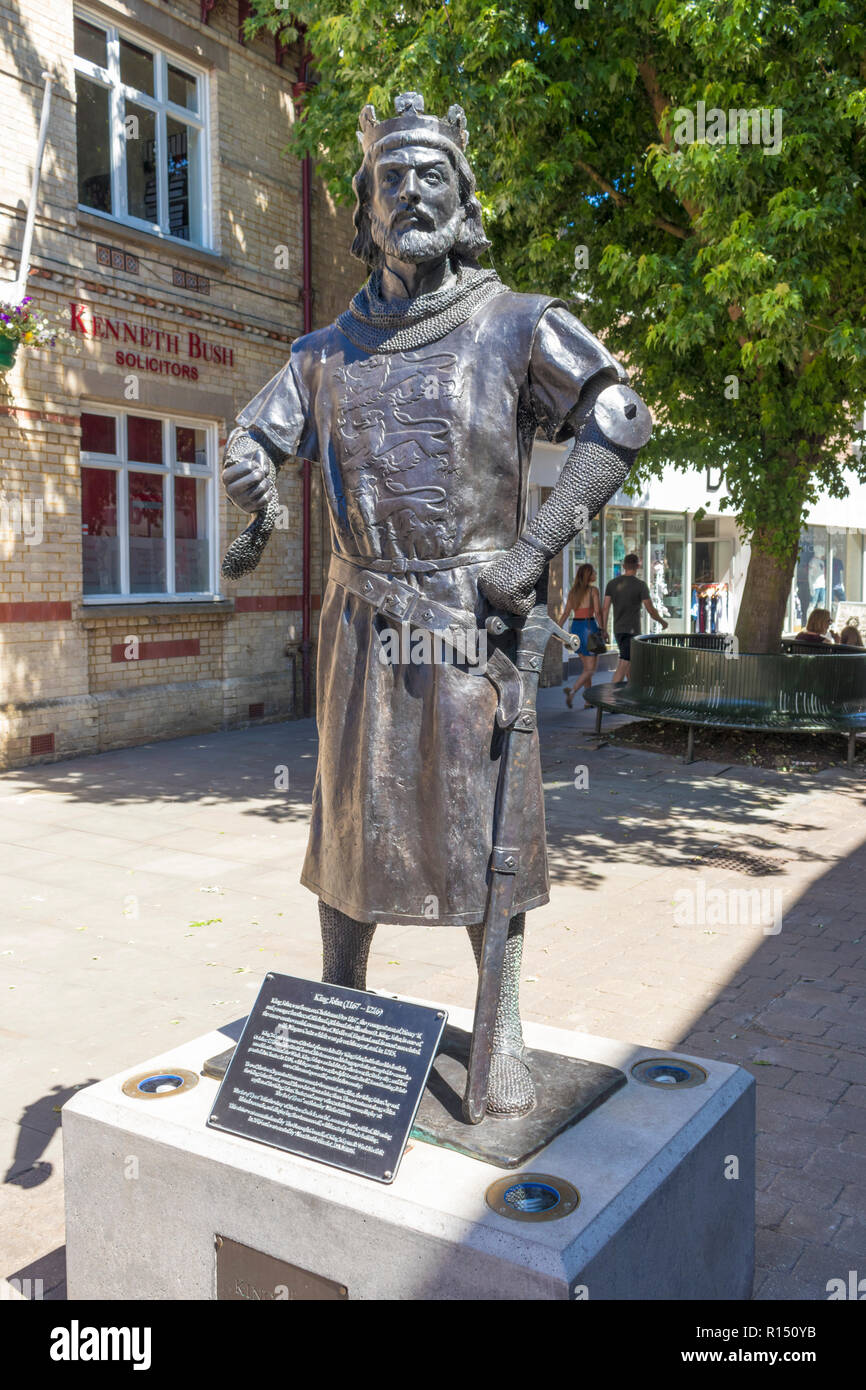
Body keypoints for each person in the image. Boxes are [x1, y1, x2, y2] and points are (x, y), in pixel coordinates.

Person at [221, 91, 652, 1117]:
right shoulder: (321, 353)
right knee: (347, 820)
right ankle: (340, 1000)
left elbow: (617, 416)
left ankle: (497, 1023)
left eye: (431, 176)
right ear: (364, 208)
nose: (408, 194)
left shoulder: (516, 323)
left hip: (471, 618)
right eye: (388, 179)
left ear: (464, 196)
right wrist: (251, 477)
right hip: (361, 624)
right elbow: (254, 435)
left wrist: (537, 547)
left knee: (482, 829)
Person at [601, 553, 667, 683]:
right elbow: (650, 609)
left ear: (624, 566)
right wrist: (662, 621)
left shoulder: (612, 584)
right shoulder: (640, 585)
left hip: (618, 630)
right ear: (637, 566)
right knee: (623, 665)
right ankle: (609, 698)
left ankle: (632, 697)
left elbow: (605, 608)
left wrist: (604, 629)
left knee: (629, 667)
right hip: (631, 632)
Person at [559, 563, 603, 708]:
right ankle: (572, 691)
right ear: (588, 576)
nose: (595, 575)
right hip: (589, 628)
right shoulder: (593, 591)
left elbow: (565, 613)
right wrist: (603, 629)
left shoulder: (573, 592)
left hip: (576, 628)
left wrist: (557, 629)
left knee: (586, 668)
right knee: (591, 669)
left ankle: (588, 701)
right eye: (593, 573)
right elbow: (597, 612)